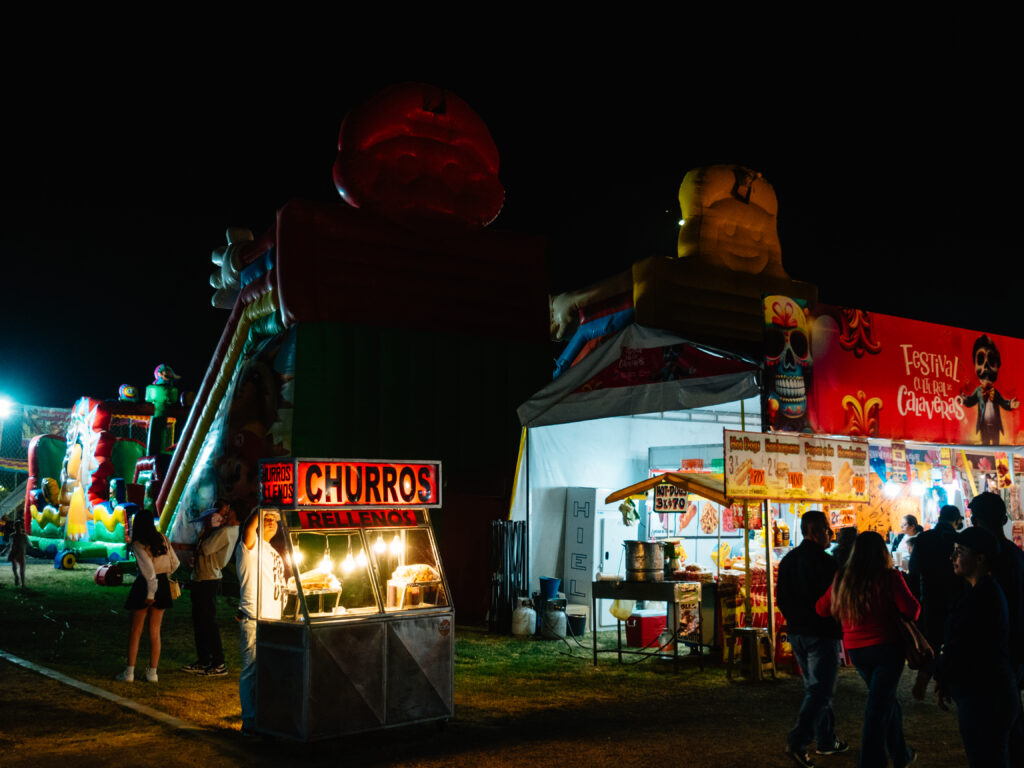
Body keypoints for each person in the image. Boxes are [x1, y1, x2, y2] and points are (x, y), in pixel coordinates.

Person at [816, 531, 919, 768]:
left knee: (884, 701)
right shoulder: (890, 577)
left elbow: (821, 608)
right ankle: (872, 762)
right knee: (877, 708)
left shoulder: (843, 577)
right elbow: (913, 610)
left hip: (858, 650)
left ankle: (901, 753)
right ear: (882, 552)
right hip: (887, 648)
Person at [933, 526, 1018, 767]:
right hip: (983, 691)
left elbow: (963, 646)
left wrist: (941, 674)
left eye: (959, 551)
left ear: (980, 558)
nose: (952, 557)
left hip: (986, 694)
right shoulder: (975, 591)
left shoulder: (983, 596)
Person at [777, 510, 846, 768]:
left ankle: (826, 739)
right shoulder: (827, 563)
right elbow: (837, 599)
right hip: (821, 632)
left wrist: (795, 619)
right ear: (815, 531)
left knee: (815, 687)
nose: (831, 534)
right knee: (821, 690)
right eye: (828, 529)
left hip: (797, 632)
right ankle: (798, 740)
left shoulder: (789, 560)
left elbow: (781, 599)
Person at [964, 492, 1024, 762]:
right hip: (1014, 648)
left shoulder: (977, 563)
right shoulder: (1017, 556)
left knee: (990, 733)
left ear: (975, 521)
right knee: (1011, 721)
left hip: (987, 655)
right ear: (1004, 519)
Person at [116, 505, 179, 683]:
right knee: (155, 631)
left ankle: (129, 672)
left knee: (135, 630)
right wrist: (164, 576)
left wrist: (150, 594)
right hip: (163, 585)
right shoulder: (163, 539)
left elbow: (148, 572)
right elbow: (175, 563)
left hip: (145, 586)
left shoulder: (138, 544)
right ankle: (152, 672)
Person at [236, 507, 285, 734]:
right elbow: (248, 527)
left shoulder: (274, 552)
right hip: (255, 619)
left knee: (270, 672)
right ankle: (250, 721)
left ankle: (266, 718)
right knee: (252, 671)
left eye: (275, 520)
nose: (271, 522)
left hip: (274, 621)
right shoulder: (250, 547)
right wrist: (262, 505)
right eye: (266, 518)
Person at [181, 500, 241, 677]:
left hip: (208, 578)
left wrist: (207, 527)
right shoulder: (227, 530)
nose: (224, 515)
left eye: (228, 512)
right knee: (201, 621)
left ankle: (218, 662)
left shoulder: (225, 531)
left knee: (207, 622)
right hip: (203, 576)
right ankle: (204, 659)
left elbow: (204, 548)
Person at [8, 518, 27, 587]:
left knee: (22, 569)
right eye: (16, 527)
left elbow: (29, 544)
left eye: (19, 526)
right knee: (15, 567)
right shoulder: (12, 536)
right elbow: (9, 545)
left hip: (21, 553)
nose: (18, 528)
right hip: (14, 553)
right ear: (15, 527)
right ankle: (16, 577)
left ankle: (23, 583)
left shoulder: (24, 536)